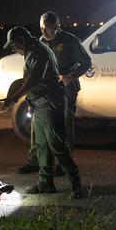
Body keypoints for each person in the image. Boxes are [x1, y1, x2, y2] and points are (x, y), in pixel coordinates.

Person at [0, 27, 82, 199]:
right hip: (40, 105)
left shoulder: (38, 52)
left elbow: (35, 79)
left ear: (22, 40)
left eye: (14, 45)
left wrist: (14, 98)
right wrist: (30, 102)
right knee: (42, 146)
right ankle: (46, 183)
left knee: (57, 146)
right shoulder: (32, 51)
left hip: (51, 105)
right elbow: (30, 80)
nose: (13, 49)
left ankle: (76, 184)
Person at [17, 11, 92, 175]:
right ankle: (35, 160)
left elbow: (86, 63)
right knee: (38, 126)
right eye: (42, 28)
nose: (45, 32)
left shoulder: (71, 41)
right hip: (45, 92)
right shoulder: (39, 43)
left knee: (63, 125)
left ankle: (63, 164)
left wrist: (71, 76)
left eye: (49, 28)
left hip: (66, 89)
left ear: (57, 26)